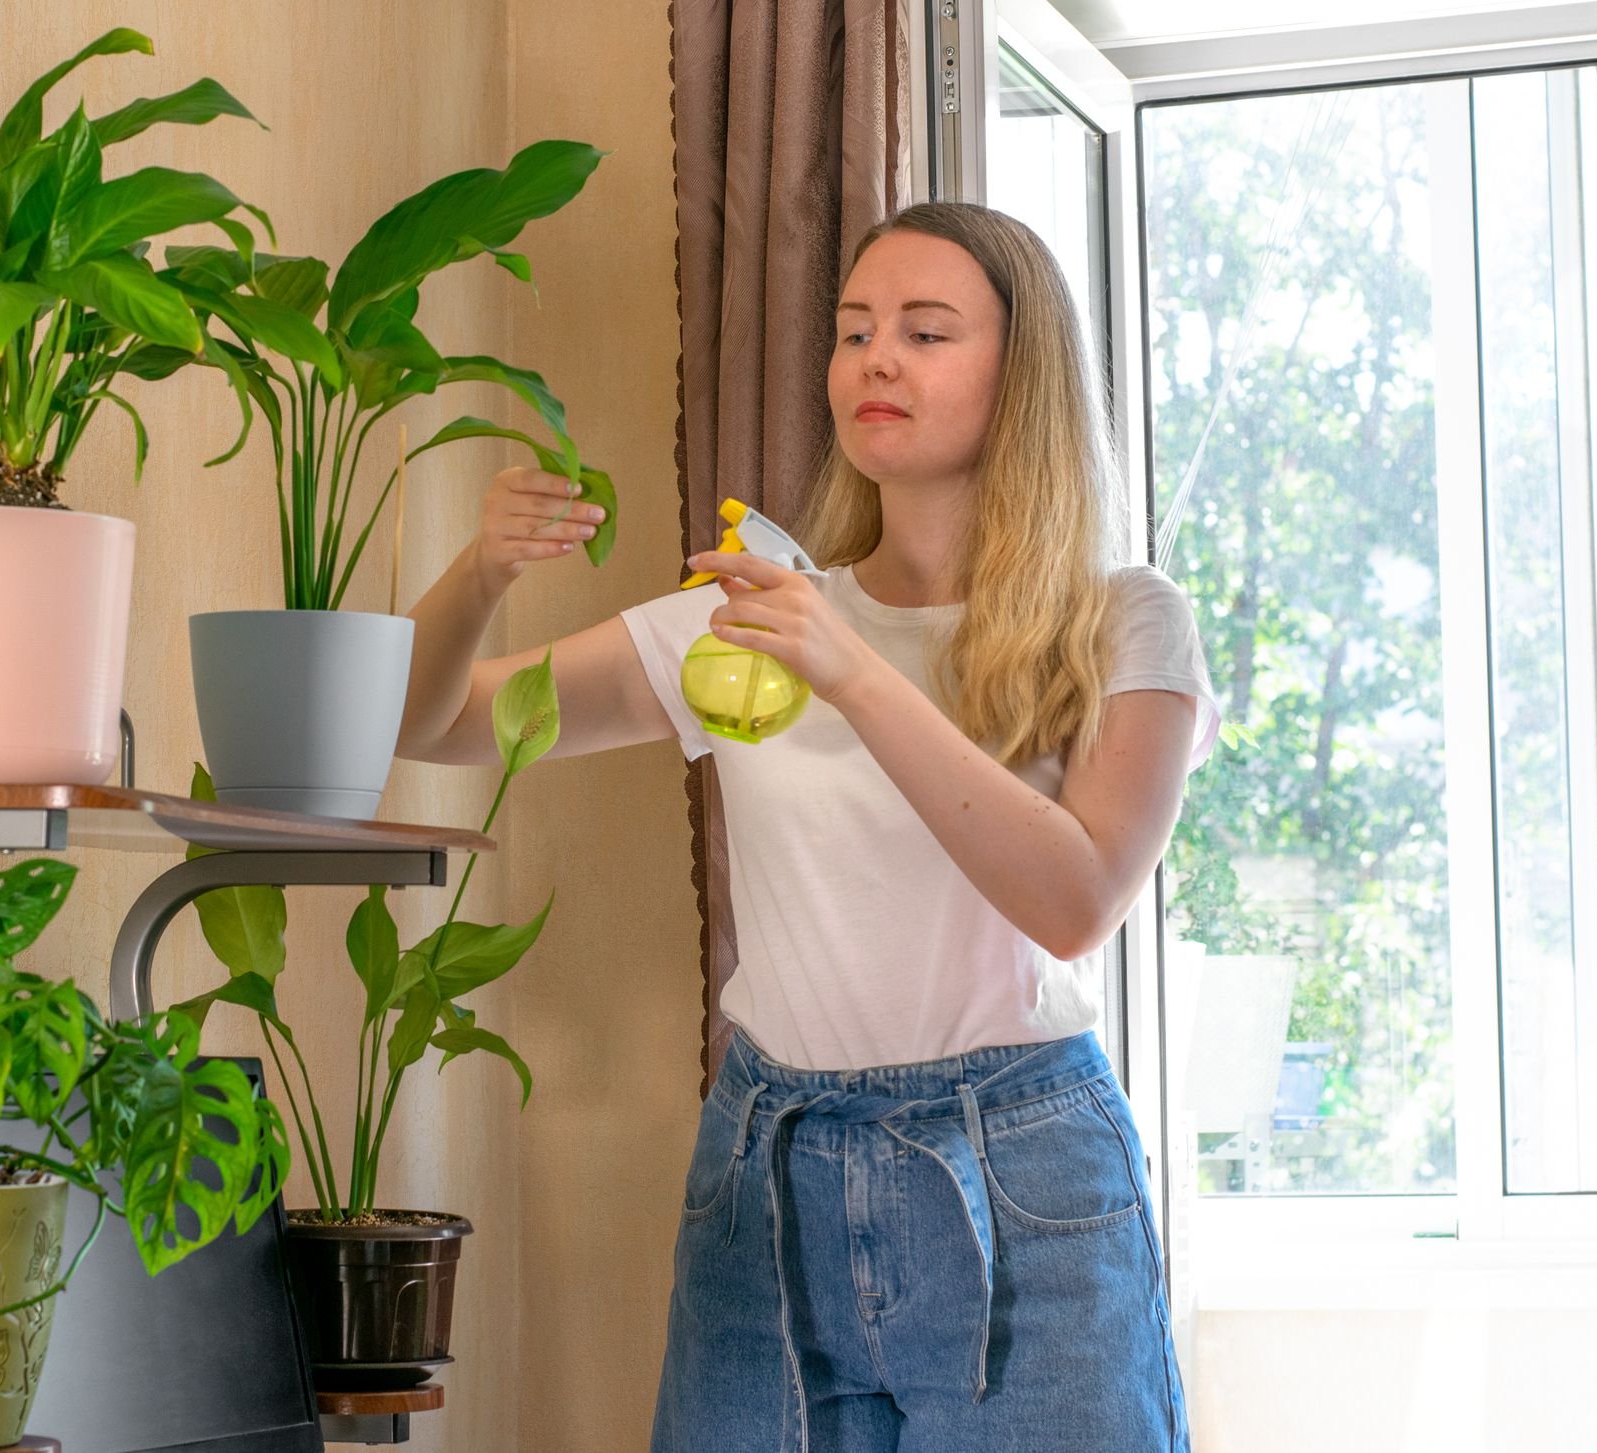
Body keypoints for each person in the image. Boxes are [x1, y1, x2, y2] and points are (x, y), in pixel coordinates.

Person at [395, 202, 1220, 1452]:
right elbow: (436, 724)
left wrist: (853, 670)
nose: (875, 360)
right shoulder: (743, 620)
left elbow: (1075, 895)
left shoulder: (1123, 622)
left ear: (1024, 374)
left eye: (926, 332)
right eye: (852, 331)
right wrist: (479, 575)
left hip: (1024, 1174)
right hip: (766, 1167)